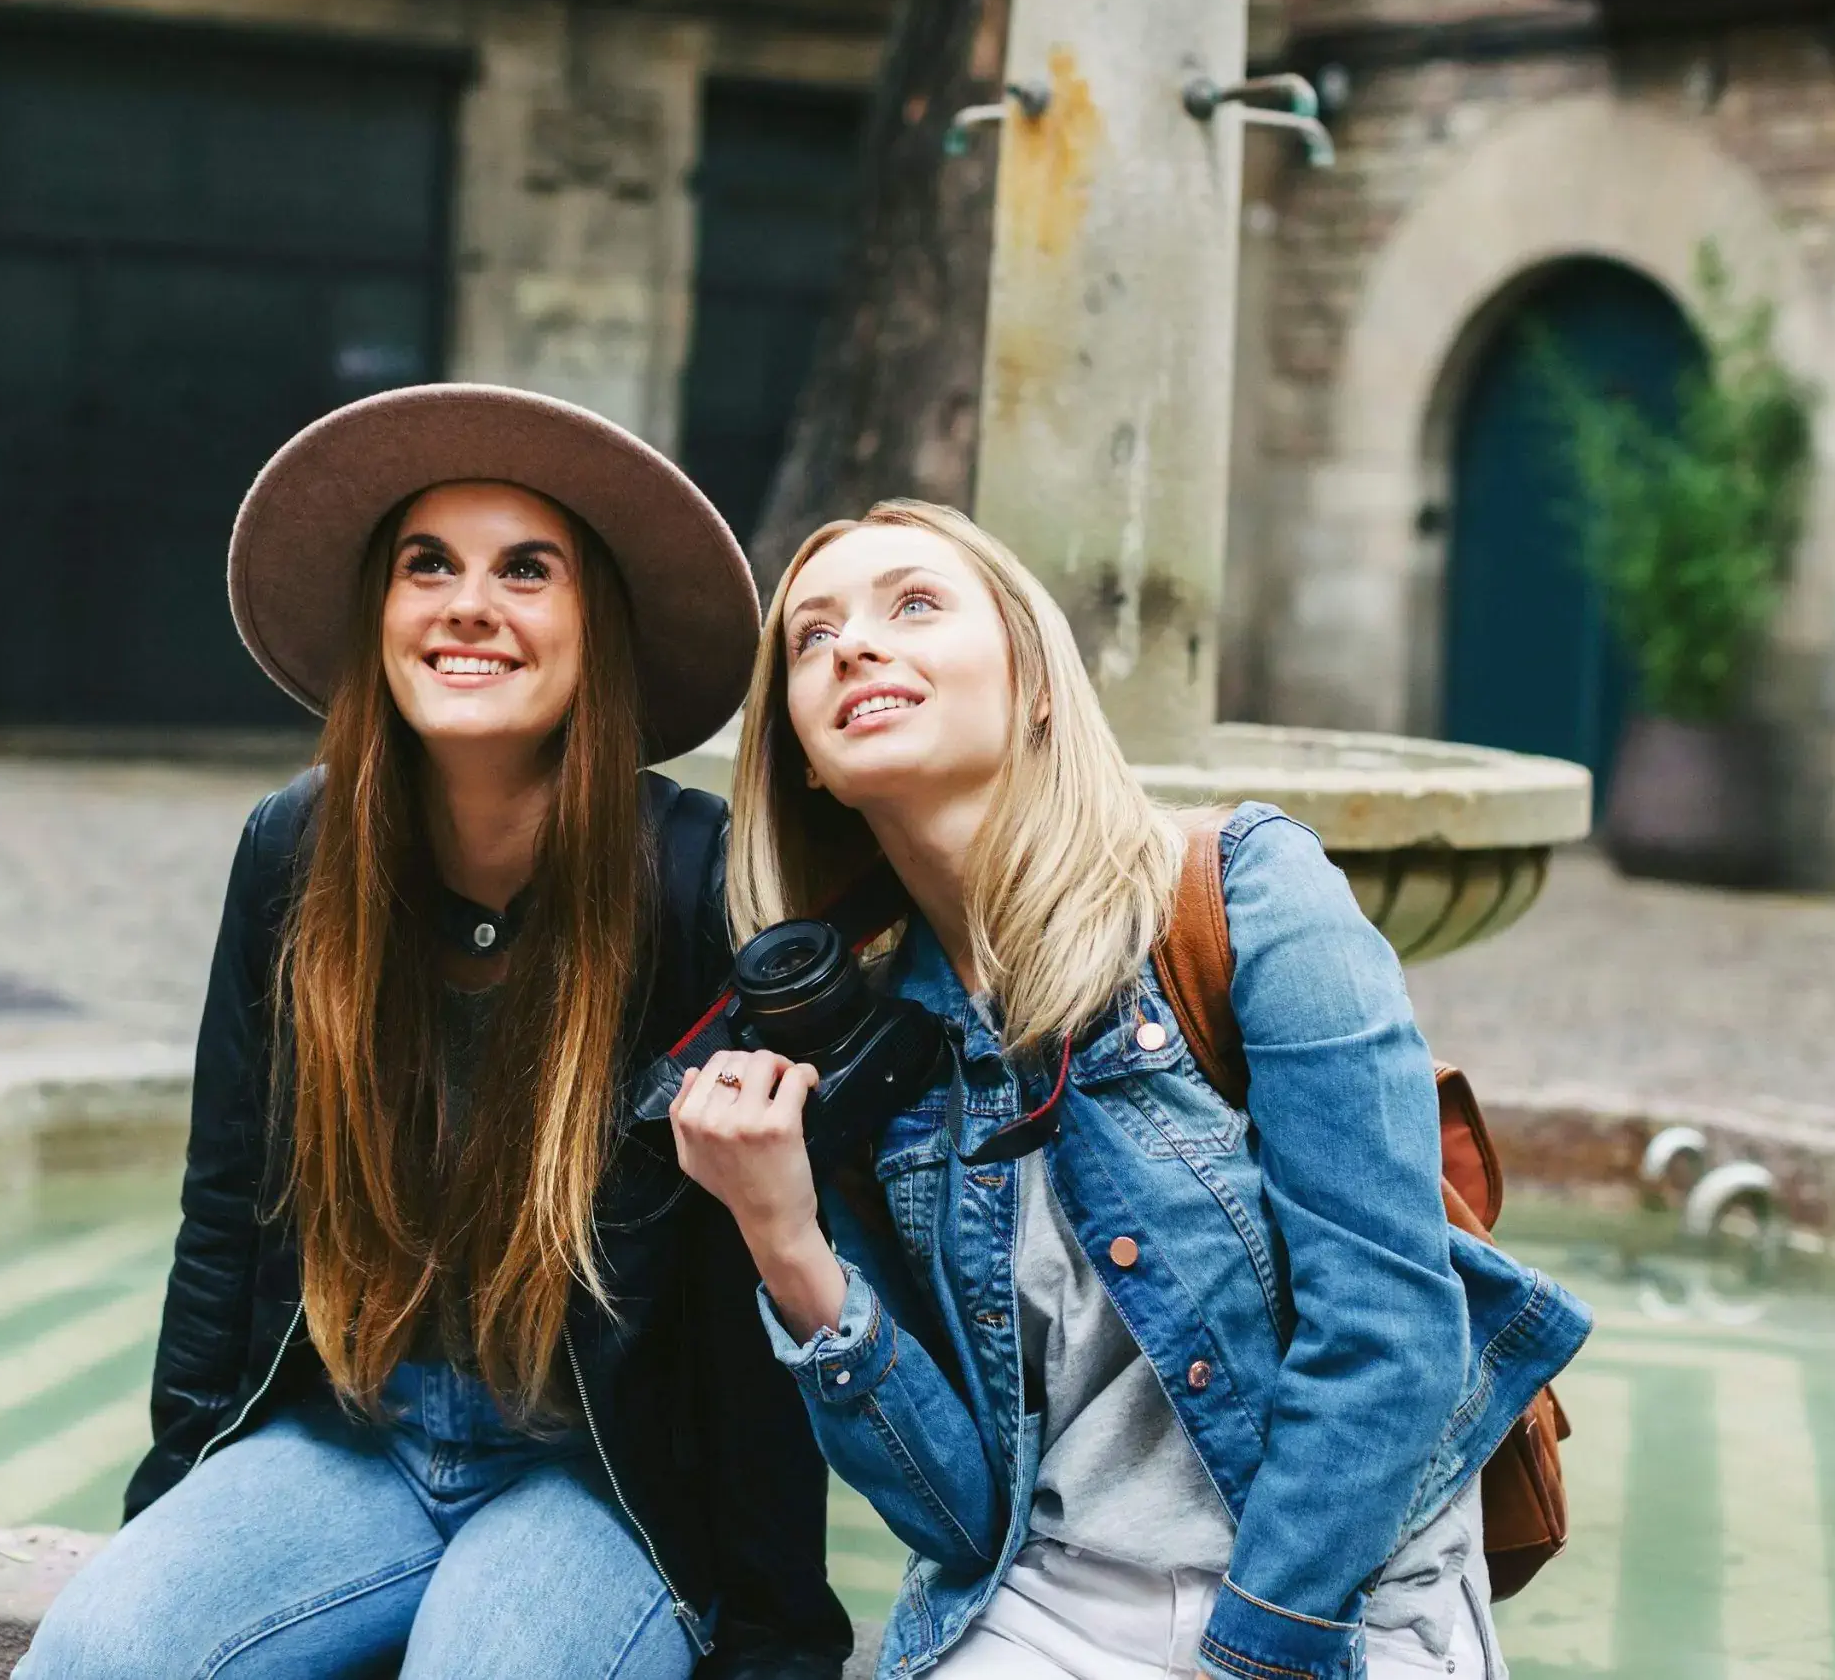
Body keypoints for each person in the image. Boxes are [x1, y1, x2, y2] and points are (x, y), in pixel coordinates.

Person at [669, 499, 1591, 1680]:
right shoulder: (872, 1049)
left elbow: (1390, 1335)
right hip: (1042, 1603)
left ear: (1037, 679)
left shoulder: (1245, 894)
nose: (852, 645)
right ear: (803, 750)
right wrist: (782, 1233)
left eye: (913, 604)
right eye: (811, 636)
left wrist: (1261, 1649)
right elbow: (956, 1519)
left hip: (1328, 1599)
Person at [18, 385, 853, 1680]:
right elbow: (228, 1207)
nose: (470, 604)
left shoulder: (701, 883)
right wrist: (175, 1508)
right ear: (383, 615)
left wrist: (774, 1637)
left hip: (600, 1477)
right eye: (429, 566)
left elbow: (743, 1298)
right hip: (354, 1434)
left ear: (596, 628)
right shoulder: (294, 851)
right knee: (103, 1651)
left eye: (528, 569)